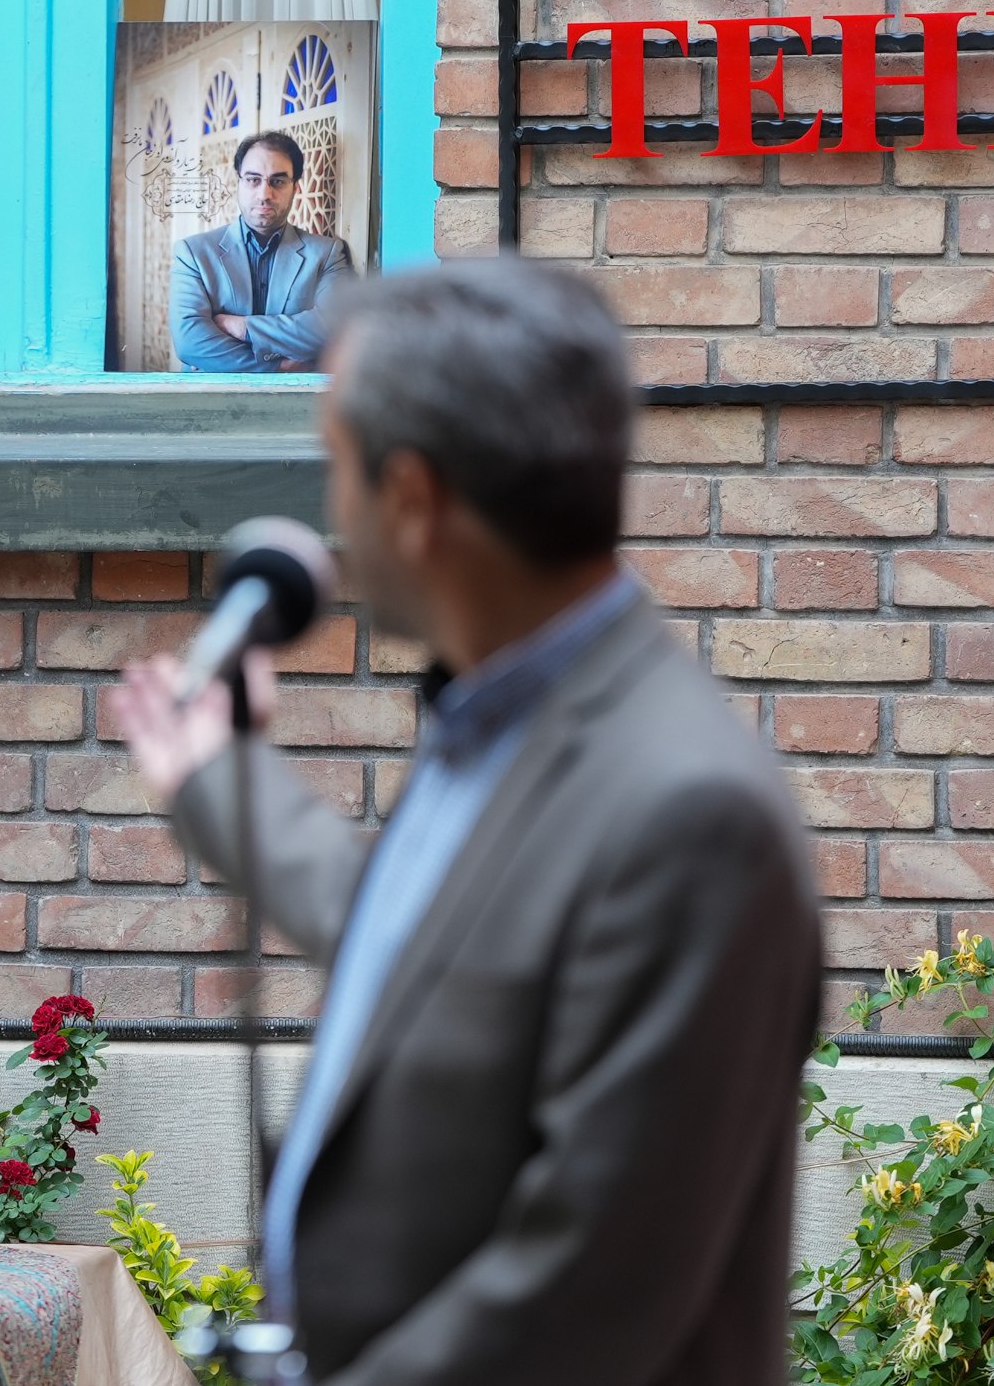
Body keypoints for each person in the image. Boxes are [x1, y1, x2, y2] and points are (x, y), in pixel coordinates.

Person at [111, 261, 820, 1385]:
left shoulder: (690, 813)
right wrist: (220, 781)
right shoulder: (500, 717)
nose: (331, 516)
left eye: (336, 466)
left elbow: (585, 1290)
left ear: (412, 499)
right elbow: (421, 948)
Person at [170, 130, 354, 373]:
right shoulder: (193, 253)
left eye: (278, 181)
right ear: (238, 183)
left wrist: (244, 327)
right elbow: (190, 343)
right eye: (253, 180)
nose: (265, 195)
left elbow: (333, 328)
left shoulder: (326, 254)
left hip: (297, 397)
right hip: (211, 394)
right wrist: (280, 367)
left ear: (295, 187)